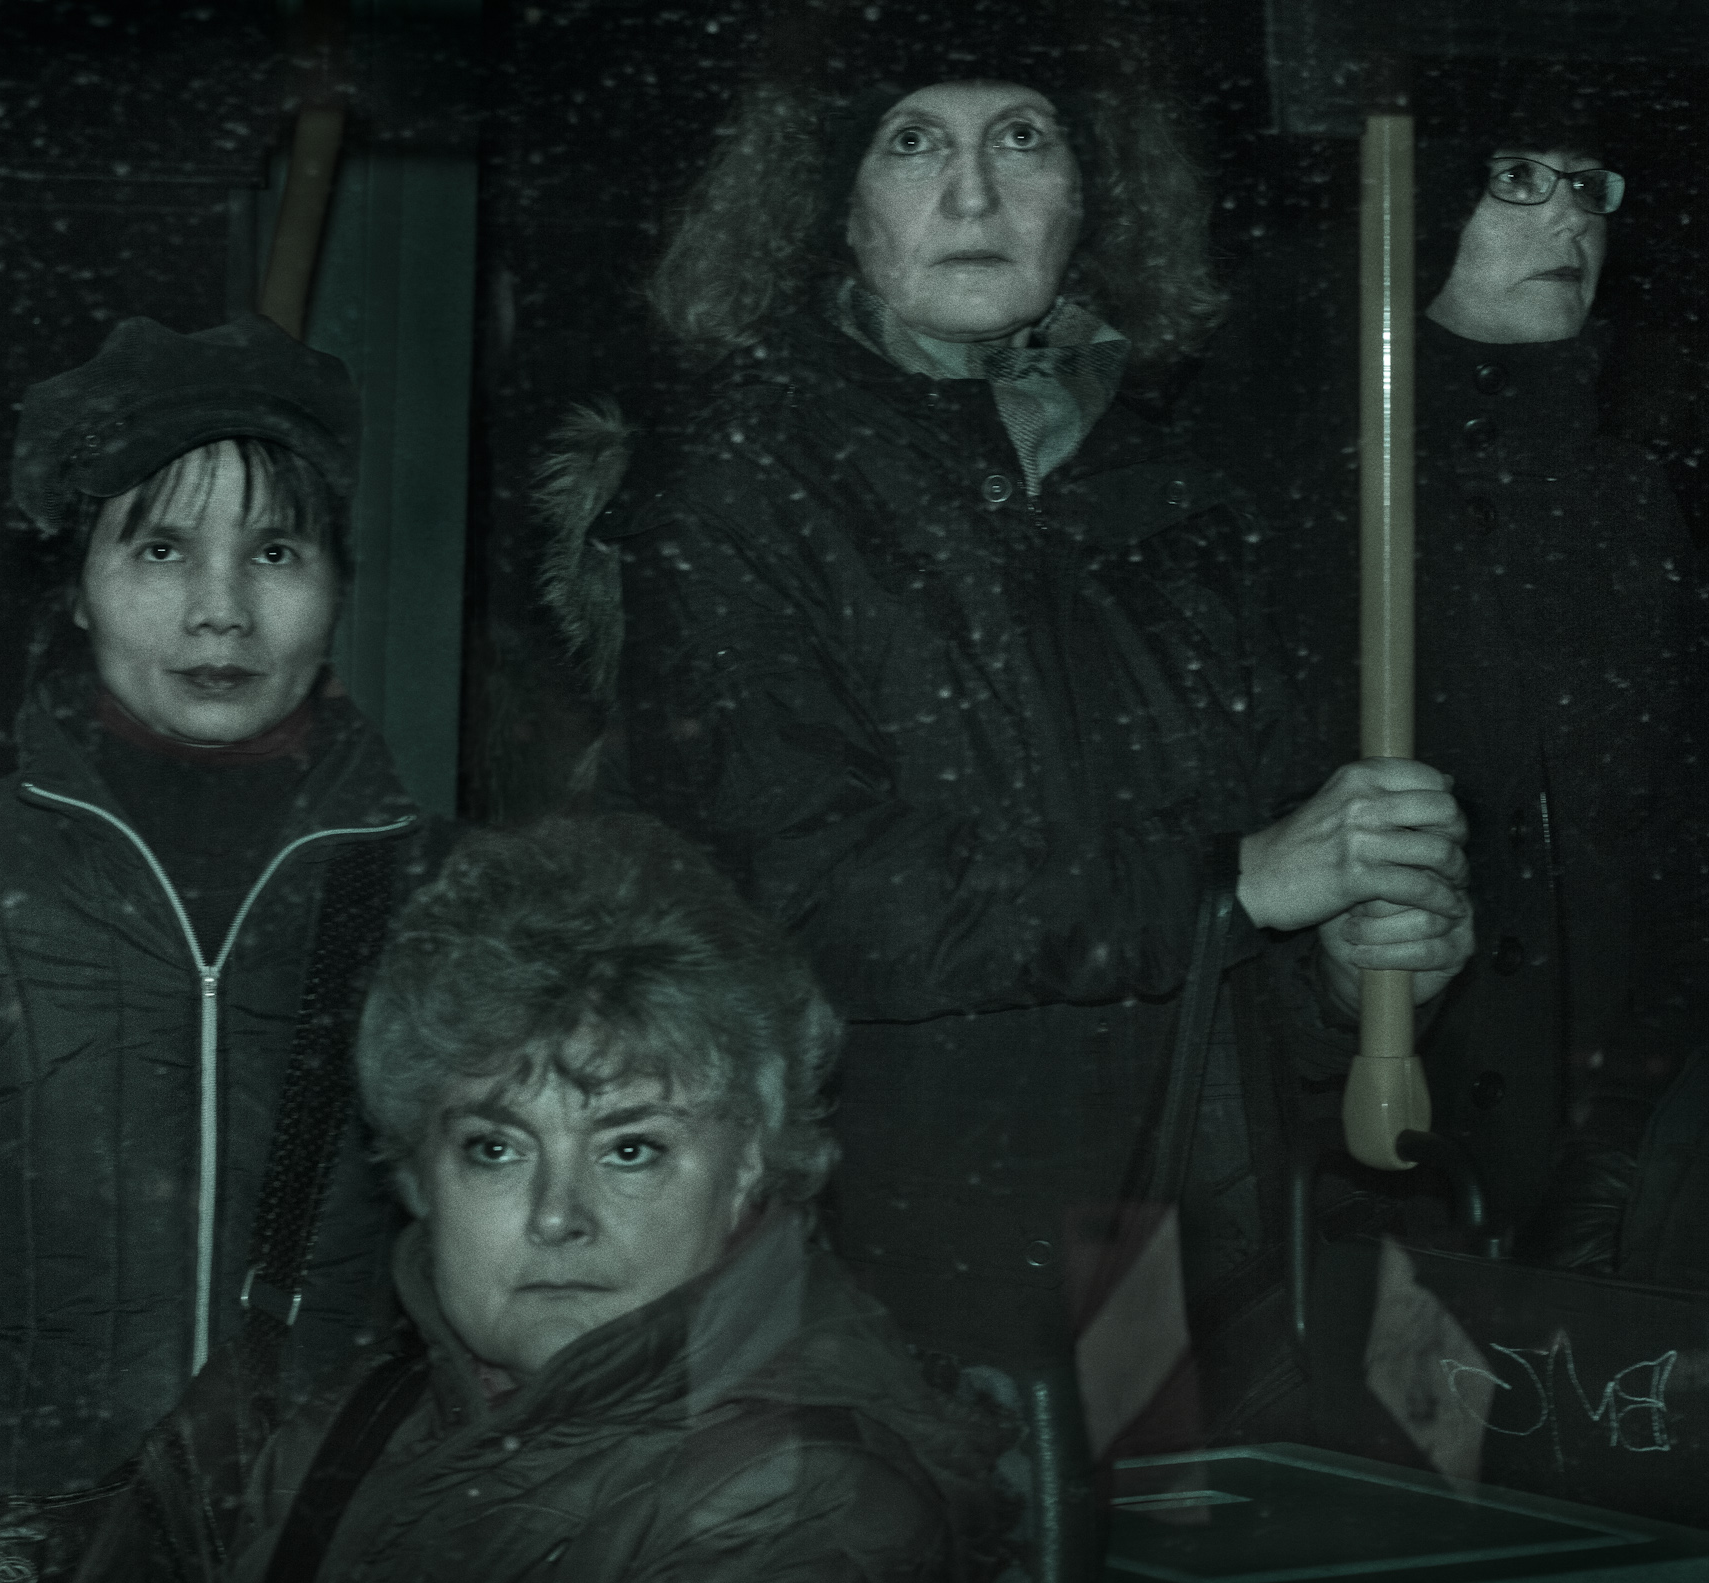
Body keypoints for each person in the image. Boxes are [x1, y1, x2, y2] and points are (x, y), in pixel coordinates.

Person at [541, 1, 1476, 1451]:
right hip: (869, 1234)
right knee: (923, 1550)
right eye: (915, 141)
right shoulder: (739, 486)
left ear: (1090, 194)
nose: (975, 194)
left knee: (1141, 1540)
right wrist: (1233, 883)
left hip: (1158, 1240)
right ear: (831, 200)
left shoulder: (1183, 498)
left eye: (1022, 138)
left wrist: (1351, 970)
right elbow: (806, 892)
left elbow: (1246, 941)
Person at [0, 313, 454, 1583]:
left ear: (339, 584)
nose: (221, 609)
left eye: (276, 551)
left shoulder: (439, 900)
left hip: (330, 1577)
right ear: (76, 583)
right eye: (160, 548)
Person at [62, 813, 1013, 1583]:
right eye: (496, 1148)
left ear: (752, 1164)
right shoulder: (361, 1418)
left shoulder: (801, 1500)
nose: (559, 1216)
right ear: (417, 1176)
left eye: (631, 1149)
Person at [1184, 73, 1709, 1263]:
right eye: (1515, 178)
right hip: (1349, 1184)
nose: (1568, 217)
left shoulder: (1619, 501)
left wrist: (1631, 1134)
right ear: (1398, 208)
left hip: (1597, 1171)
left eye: (1586, 185)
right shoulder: (1262, 502)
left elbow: (1700, 855)